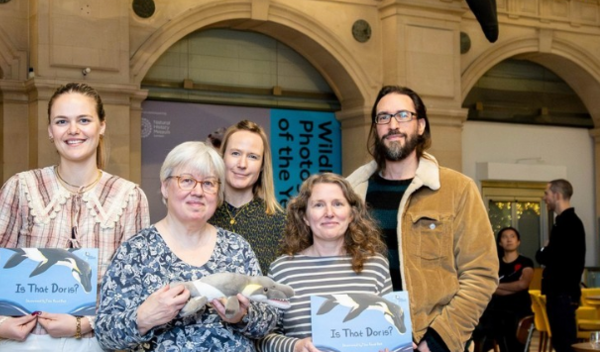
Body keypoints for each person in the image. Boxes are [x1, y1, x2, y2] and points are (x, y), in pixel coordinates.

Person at [0, 83, 150, 350]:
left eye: (84, 120)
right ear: (50, 130)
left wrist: (85, 324)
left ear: (101, 125)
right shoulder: (21, 187)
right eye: (62, 121)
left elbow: (134, 289)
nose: (73, 130)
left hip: (98, 343)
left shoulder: (129, 196)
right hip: (26, 342)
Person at [346, 85, 498, 352]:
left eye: (403, 115)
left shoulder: (457, 189)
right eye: (383, 117)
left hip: (432, 344)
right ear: (376, 128)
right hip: (366, 341)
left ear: (420, 125)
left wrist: (438, 341)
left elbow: (481, 274)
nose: (393, 124)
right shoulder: (351, 192)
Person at [95, 141, 278, 352]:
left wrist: (243, 316)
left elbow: (270, 319)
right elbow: (105, 335)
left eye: (209, 183)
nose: (198, 191)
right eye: (187, 180)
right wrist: (144, 318)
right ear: (165, 186)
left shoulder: (237, 248)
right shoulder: (135, 252)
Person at [261, 173, 391, 352]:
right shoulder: (282, 270)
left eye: (338, 204)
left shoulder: (376, 266)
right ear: (305, 217)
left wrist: (393, 346)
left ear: (352, 214)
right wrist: (296, 346)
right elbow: (262, 338)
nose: (329, 213)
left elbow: (388, 333)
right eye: (319, 205)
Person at [208, 120, 286, 274]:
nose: (242, 164)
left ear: (263, 164)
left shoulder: (280, 222)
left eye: (252, 157)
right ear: (222, 157)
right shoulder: (201, 214)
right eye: (235, 153)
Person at [535, 179, 584, 352]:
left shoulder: (566, 224)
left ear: (557, 195)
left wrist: (544, 249)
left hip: (562, 293)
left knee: (564, 343)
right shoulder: (567, 222)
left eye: (546, 193)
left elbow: (545, 256)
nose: (544, 198)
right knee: (562, 342)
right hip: (563, 293)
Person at [472, 227, 534, 352]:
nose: (509, 240)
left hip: (518, 311)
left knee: (511, 333)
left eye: (512, 236)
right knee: (479, 328)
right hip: (496, 311)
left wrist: (495, 286)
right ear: (500, 242)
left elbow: (522, 285)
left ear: (518, 242)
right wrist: (511, 287)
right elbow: (486, 287)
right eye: (505, 237)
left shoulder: (525, 262)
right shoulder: (494, 264)